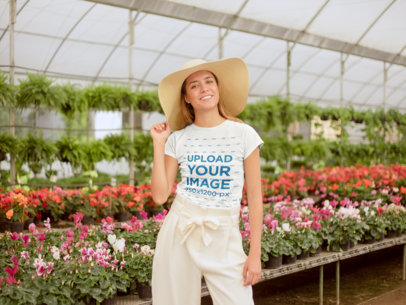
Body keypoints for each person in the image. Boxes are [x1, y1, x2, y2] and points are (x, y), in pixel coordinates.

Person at [150, 57, 263, 305]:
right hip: (180, 228)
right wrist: (159, 144)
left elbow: (255, 197)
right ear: (187, 98)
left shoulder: (244, 134)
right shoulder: (177, 139)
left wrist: (255, 253)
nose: (204, 89)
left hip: (224, 233)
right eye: (194, 85)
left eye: (209, 81)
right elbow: (159, 196)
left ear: (218, 88)